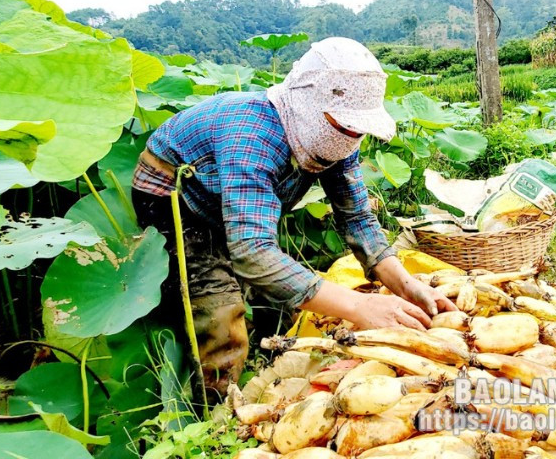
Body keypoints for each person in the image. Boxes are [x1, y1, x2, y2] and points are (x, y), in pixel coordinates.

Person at [131, 37, 456, 398]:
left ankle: (271, 364)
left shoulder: (339, 134)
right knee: (221, 312)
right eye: (344, 126)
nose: (351, 138)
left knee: (281, 291)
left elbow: (358, 218)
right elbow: (253, 251)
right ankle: (216, 413)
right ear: (307, 104)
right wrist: (359, 305)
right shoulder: (253, 137)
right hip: (178, 200)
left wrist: (406, 284)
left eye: (357, 129)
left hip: (235, 197)